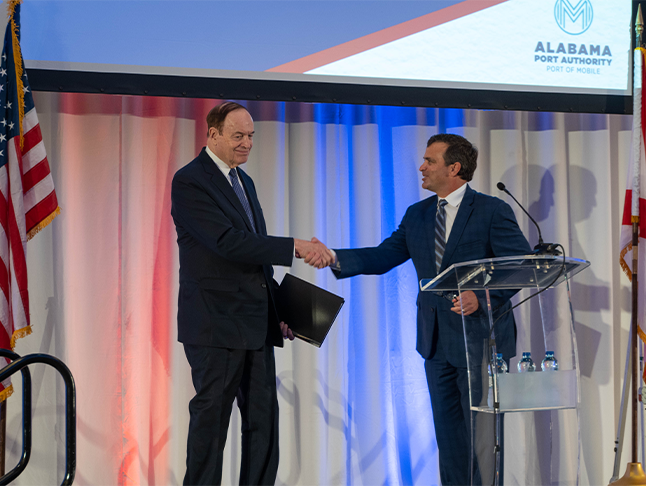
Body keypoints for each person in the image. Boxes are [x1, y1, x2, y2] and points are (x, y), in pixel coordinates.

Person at [312, 134, 531, 485]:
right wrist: (334, 257)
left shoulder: (491, 210)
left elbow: (519, 265)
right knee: (451, 442)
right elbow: (384, 255)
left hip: (481, 342)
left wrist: (484, 295)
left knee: (483, 442)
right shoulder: (418, 214)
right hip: (436, 344)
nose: (421, 167)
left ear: (454, 167)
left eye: (430, 161)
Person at [170, 101, 331, 485]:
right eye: (238, 135)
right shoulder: (190, 180)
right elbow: (228, 243)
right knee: (211, 423)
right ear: (213, 134)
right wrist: (294, 245)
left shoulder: (244, 181)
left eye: (251, 136)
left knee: (263, 422)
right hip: (215, 324)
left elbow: (255, 260)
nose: (247, 144)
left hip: (255, 322)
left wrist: (281, 312)